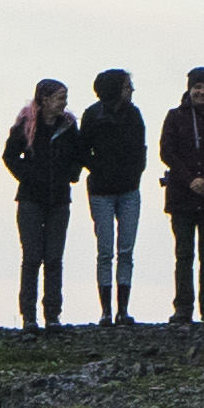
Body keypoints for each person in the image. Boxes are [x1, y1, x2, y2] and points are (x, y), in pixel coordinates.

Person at [154, 65, 204, 323]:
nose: (202, 92)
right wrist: (189, 180)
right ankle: (183, 308)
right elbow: (167, 152)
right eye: (197, 87)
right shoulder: (174, 117)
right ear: (189, 89)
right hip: (182, 197)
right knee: (184, 255)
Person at [1, 74, 82, 328]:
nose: (63, 103)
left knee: (55, 258)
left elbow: (78, 155)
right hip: (30, 199)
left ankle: (53, 314)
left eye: (65, 98)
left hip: (59, 199)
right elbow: (9, 156)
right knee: (32, 257)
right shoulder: (26, 124)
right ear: (45, 99)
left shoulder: (68, 126)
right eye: (60, 98)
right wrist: (28, 176)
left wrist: (71, 175)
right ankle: (29, 316)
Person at [74, 68, 151, 327]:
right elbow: (82, 150)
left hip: (128, 189)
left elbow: (141, 149)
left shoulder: (134, 114)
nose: (131, 90)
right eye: (127, 85)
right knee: (106, 250)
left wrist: (135, 173)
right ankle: (107, 311)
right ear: (116, 88)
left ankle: (123, 310)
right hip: (102, 191)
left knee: (126, 250)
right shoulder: (92, 115)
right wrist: (99, 168)